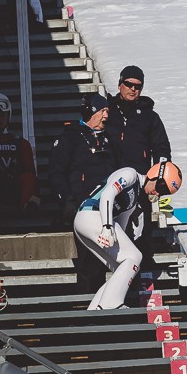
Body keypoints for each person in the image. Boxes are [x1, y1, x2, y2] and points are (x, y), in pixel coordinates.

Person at [75, 160, 183, 310]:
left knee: (122, 268)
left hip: (87, 220)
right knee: (135, 256)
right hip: (92, 215)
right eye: (161, 187)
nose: (158, 193)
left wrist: (111, 229)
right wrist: (107, 227)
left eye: (164, 193)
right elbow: (107, 194)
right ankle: (111, 305)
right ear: (154, 174)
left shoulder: (133, 201)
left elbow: (121, 224)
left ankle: (94, 311)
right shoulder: (130, 174)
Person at [105, 65, 172, 275]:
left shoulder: (150, 116)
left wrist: (156, 179)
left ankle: (143, 277)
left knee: (141, 234)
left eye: (138, 86)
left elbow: (162, 149)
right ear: (120, 84)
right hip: (110, 184)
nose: (133, 89)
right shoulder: (107, 111)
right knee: (111, 230)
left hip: (140, 184)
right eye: (129, 84)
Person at [49, 93, 118, 292]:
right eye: (102, 111)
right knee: (89, 260)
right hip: (82, 207)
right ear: (90, 111)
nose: (106, 116)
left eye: (108, 111)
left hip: (110, 207)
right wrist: (67, 200)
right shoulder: (70, 137)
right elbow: (56, 172)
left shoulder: (111, 138)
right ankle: (90, 299)